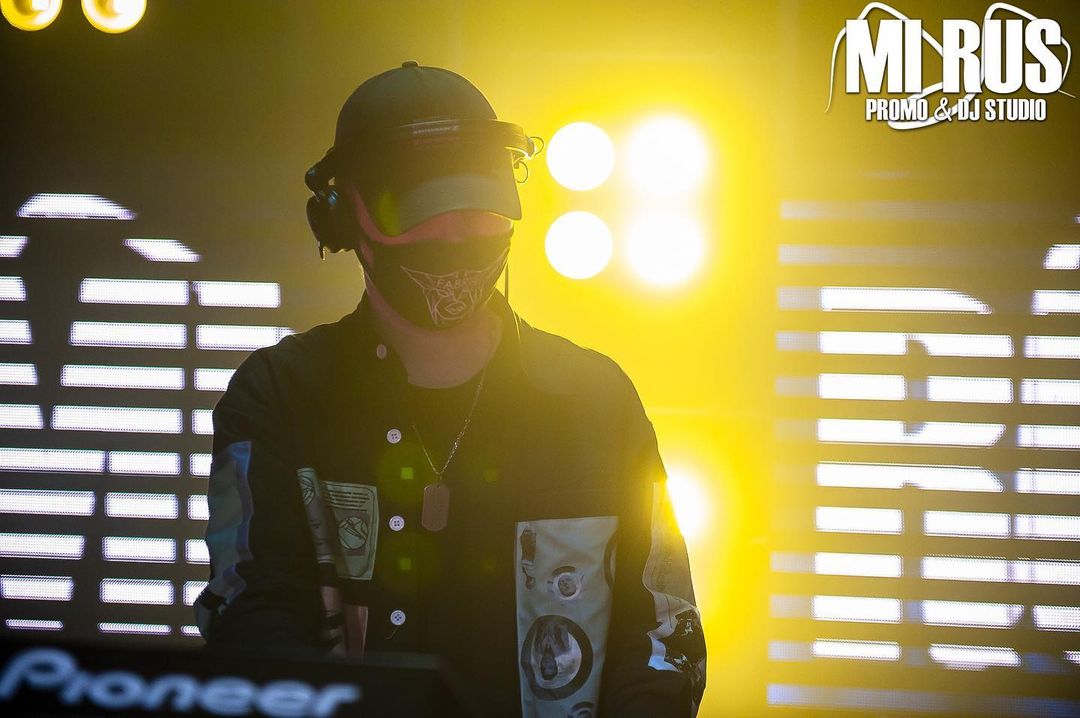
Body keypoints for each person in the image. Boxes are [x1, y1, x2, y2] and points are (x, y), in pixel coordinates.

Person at [194, 61, 706, 718]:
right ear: (341, 216)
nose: (458, 232)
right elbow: (249, 619)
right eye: (424, 208)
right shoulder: (278, 397)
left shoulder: (597, 402)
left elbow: (664, 636)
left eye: (479, 205)